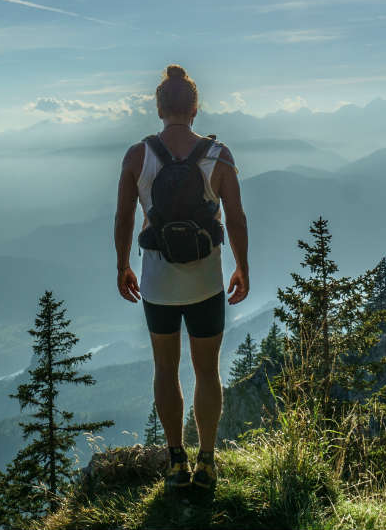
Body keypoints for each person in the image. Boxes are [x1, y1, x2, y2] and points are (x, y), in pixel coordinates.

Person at [113, 64, 249, 495]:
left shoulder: (138, 156)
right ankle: (207, 460)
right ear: (195, 107)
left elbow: (124, 215)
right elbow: (236, 217)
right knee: (206, 371)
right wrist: (241, 266)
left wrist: (122, 266)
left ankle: (176, 460)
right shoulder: (219, 156)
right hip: (206, 282)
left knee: (165, 369)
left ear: (158, 108)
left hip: (158, 283)